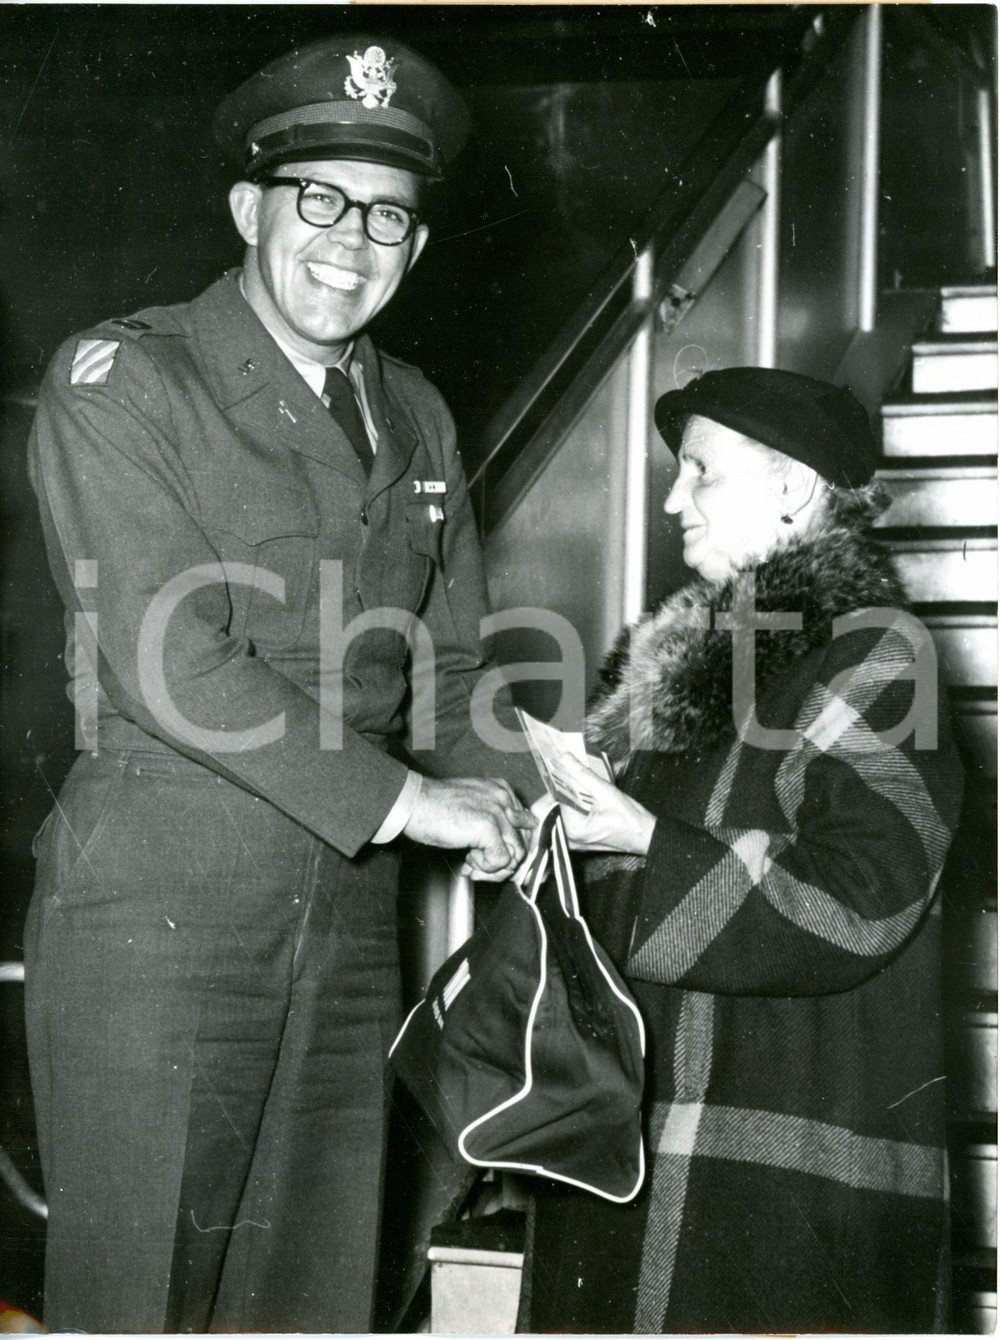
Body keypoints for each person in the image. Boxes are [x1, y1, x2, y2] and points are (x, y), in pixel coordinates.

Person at [24, 35, 540, 1334]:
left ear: (415, 248)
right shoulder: (129, 381)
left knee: (311, 1288)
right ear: (251, 209)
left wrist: (519, 794)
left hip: (348, 910)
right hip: (162, 897)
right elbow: (166, 655)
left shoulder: (415, 410)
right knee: (143, 1295)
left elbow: (454, 661)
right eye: (319, 199)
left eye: (386, 215)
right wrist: (415, 807)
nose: (350, 241)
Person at [519, 367, 964, 1334]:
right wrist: (546, 845)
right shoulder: (706, 663)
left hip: (769, 1148)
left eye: (700, 472)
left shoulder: (877, 654)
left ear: (795, 487)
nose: (673, 499)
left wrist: (641, 838)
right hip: (644, 1136)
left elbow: (865, 894)